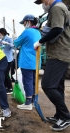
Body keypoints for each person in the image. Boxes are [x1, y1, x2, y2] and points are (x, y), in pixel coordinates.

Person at [34, 0, 70, 131]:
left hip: (59, 54)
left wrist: (40, 41)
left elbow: (57, 29)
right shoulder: (60, 8)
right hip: (62, 53)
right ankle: (59, 115)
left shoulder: (57, 8)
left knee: (48, 85)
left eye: (43, 1)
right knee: (58, 87)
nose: (43, 4)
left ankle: (66, 117)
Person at [13, 14, 41, 110]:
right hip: (36, 61)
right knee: (33, 82)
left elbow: (16, 43)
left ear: (28, 22)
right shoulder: (38, 32)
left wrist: (14, 38)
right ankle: (32, 101)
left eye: (24, 23)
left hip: (27, 61)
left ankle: (28, 103)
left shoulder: (27, 31)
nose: (23, 25)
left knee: (27, 82)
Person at [0, 28, 14, 94]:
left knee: (6, 73)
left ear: (2, 33)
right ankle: (6, 87)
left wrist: (7, 43)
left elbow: (13, 46)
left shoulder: (9, 39)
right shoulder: (1, 40)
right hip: (2, 59)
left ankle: (10, 88)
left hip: (8, 59)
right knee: (3, 74)